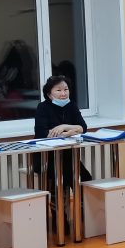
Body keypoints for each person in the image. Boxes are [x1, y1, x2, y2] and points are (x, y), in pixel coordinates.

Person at [33, 75, 92, 206]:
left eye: (66, 89)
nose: (63, 93)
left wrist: (64, 127)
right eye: (58, 90)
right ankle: (60, 216)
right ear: (49, 94)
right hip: (47, 157)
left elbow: (83, 127)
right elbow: (42, 133)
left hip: (67, 155)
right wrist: (69, 133)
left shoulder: (72, 106)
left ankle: (83, 212)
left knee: (86, 177)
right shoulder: (43, 107)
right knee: (63, 178)